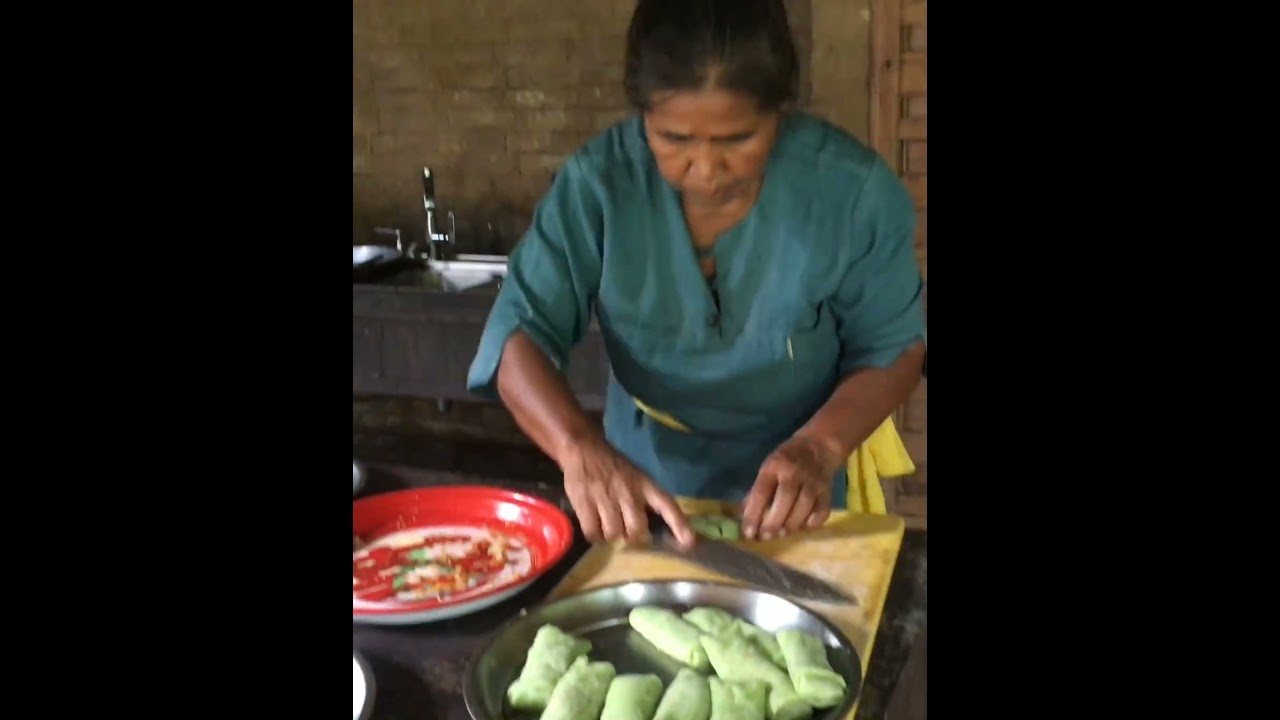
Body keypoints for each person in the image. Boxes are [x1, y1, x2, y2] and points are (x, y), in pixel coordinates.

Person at [467, 0, 926, 549]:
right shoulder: (600, 186)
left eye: (737, 140)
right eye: (674, 140)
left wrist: (820, 449)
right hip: (647, 478)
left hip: (800, 477)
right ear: (642, 117)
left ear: (781, 111)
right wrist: (578, 447)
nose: (705, 171)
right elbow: (519, 333)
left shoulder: (851, 192)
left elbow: (892, 345)